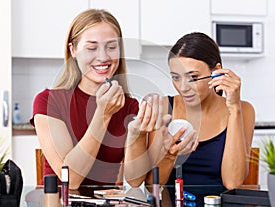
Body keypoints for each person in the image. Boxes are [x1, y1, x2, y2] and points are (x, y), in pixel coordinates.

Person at [30, 9, 167, 189]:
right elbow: (70, 180)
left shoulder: (129, 106)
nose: (103, 57)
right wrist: (102, 114)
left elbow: (135, 180)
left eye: (111, 47)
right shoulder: (48, 102)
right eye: (91, 48)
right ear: (73, 50)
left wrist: (137, 134)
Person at [145, 32, 255, 190]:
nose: (183, 88)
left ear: (216, 71)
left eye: (193, 78)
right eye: (176, 77)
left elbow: (233, 183)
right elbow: (152, 184)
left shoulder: (244, 109)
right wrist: (169, 155)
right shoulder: (163, 108)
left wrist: (234, 108)